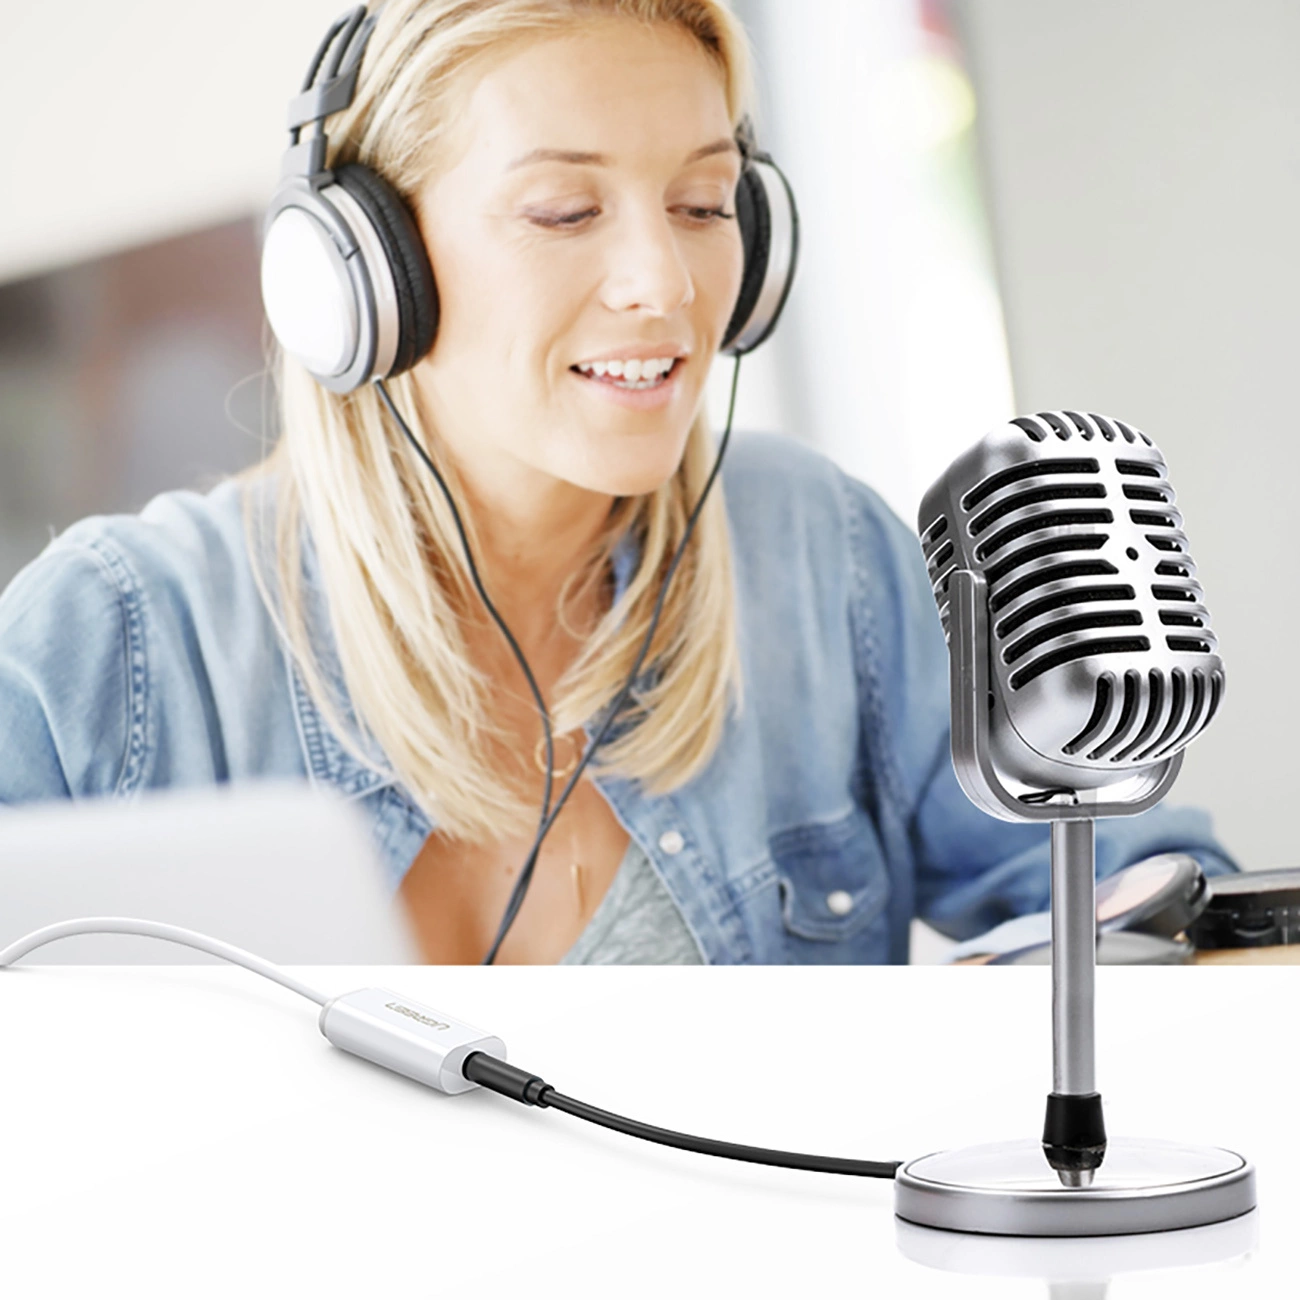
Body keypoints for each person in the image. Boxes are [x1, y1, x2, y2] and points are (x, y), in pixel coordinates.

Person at [0, 0, 1237, 965]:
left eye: (702, 202)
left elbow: (1139, 891)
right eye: (562, 211)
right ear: (361, 271)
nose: (666, 281)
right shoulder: (112, 643)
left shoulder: (819, 556)